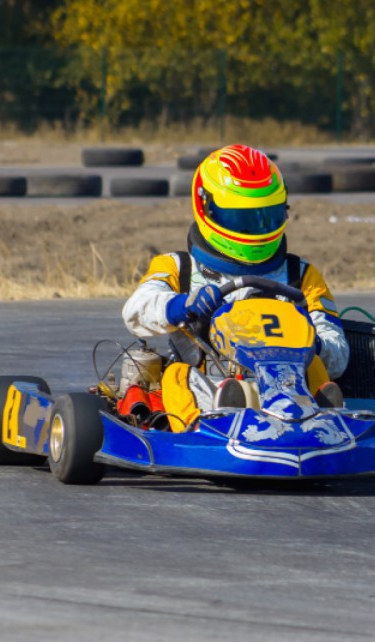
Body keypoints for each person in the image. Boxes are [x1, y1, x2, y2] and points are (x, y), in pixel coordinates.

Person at [122, 143, 349, 430]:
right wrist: (182, 305)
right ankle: (201, 428)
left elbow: (338, 352)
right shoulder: (179, 268)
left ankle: (326, 422)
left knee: (316, 363)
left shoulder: (300, 275)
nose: (253, 228)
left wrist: (311, 342)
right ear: (205, 207)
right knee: (175, 374)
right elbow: (135, 311)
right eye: (239, 219)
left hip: (291, 386)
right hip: (210, 385)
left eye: (264, 216)